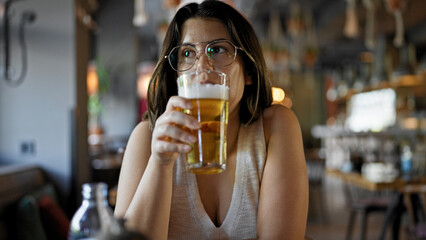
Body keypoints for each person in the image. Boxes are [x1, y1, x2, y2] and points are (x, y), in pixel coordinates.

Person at [114, 1, 308, 239]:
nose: (202, 68)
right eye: (187, 54)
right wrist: (161, 163)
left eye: (217, 50)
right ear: (176, 74)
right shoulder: (147, 137)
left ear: (248, 71)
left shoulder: (275, 127)